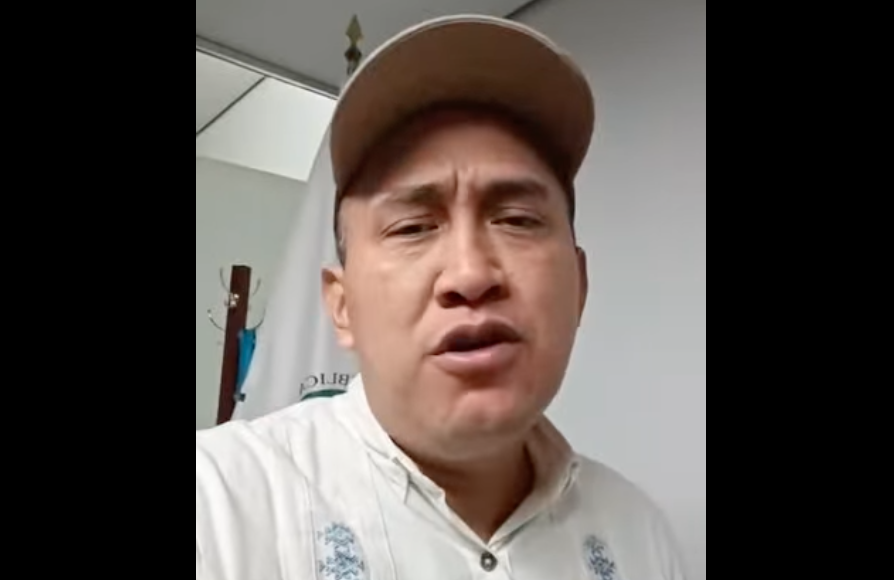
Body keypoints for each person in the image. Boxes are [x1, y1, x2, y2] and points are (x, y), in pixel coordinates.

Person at [196, 14, 687, 580]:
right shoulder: (220, 510)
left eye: (517, 218)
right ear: (341, 305)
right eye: (413, 227)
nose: (471, 274)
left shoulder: (637, 537)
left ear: (579, 286)